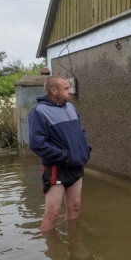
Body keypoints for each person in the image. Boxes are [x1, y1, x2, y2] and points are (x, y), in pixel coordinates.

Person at [28, 76, 91, 231]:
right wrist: (64, 156)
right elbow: (37, 143)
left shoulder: (70, 108)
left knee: (75, 207)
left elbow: (80, 132)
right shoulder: (39, 111)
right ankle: (52, 252)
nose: (70, 92)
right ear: (54, 90)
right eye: (66, 88)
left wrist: (84, 152)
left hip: (75, 165)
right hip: (57, 167)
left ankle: (73, 240)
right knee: (52, 213)